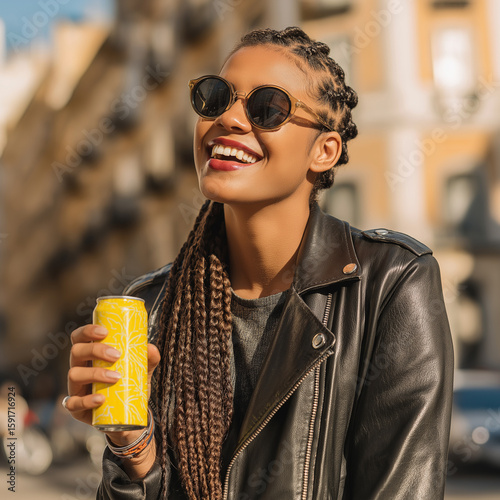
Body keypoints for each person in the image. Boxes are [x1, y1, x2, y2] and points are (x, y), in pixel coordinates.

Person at [65, 26, 454, 499]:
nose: (228, 118)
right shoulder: (150, 305)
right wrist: (134, 452)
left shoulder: (391, 283)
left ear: (323, 150)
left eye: (267, 107)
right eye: (215, 97)